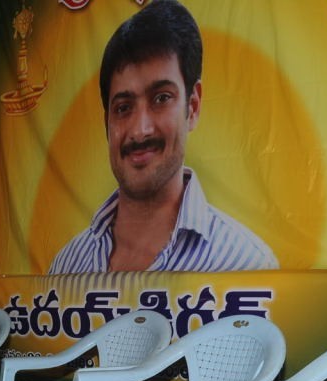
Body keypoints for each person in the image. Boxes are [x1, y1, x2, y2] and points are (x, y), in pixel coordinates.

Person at [48, 0, 278, 274]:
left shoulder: (247, 266)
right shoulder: (66, 268)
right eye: (123, 107)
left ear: (192, 107)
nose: (139, 130)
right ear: (106, 122)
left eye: (161, 98)